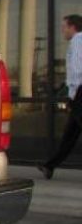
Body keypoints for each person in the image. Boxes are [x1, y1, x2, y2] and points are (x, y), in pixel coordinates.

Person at [38, 14, 82, 179]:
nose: (62, 30)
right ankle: (49, 165)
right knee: (70, 134)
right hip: (78, 93)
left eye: (64, 27)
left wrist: (74, 95)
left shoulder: (77, 41)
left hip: (80, 93)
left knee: (71, 132)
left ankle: (49, 165)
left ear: (73, 27)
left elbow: (78, 69)